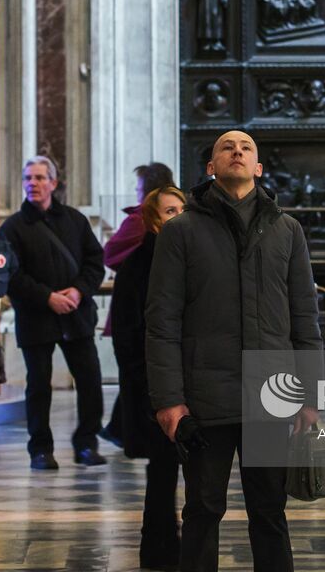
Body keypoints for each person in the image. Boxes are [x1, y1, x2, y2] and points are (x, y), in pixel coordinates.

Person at [146, 130, 324, 572]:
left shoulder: (287, 230)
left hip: (272, 394)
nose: (237, 152)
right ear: (211, 166)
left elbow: (305, 317)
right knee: (203, 509)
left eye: (246, 148)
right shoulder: (180, 232)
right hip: (206, 396)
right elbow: (162, 321)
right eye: (227, 147)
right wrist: (169, 400)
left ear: (258, 167)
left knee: (270, 510)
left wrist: (311, 396)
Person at [1, 156, 107, 469]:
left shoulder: (74, 219)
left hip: (75, 313)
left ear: (53, 183)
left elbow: (95, 261)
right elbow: (11, 276)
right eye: (28, 178)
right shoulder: (13, 227)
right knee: (38, 386)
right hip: (36, 317)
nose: (32, 183)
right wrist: (47, 297)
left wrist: (78, 291)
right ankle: (40, 449)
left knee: (90, 380)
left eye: (39, 178)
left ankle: (86, 443)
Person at [113, 186, 188, 570]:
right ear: (153, 219)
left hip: (192, 380)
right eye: (170, 210)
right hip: (154, 384)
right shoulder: (138, 265)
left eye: (182, 209)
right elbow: (127, 334)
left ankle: (187, 547)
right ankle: (160, 549)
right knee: (162, 470)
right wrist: (146, 386)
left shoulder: (191, 259)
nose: (178, 216)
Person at [101, 162, 178, 444]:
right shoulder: (140, 236)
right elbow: (112, 254)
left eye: (137, 188)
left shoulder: (141, 221)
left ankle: (122, 429)